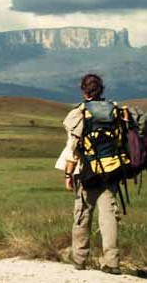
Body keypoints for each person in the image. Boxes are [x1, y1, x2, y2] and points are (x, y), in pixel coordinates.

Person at [57, 73, 128, 275]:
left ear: (83, 90)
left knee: (82, 214)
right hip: (113, 170)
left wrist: (68, 175)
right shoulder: (116, 110)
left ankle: (79, 259)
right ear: (101, 89)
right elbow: (122, 141)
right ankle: (112, 263)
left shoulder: (80, 113)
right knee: (109, 218)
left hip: (88, 173)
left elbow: (72, 149)